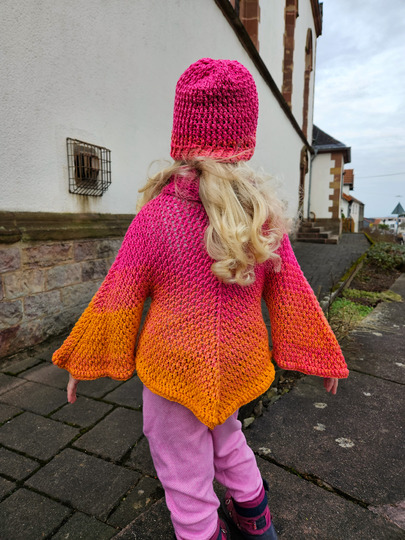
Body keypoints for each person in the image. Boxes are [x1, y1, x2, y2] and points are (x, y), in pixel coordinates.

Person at [53, 58, 348, 540]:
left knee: (180, 462)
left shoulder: (156, 217)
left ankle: (200, 532)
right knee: (229, 441)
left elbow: (119, 294)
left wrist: (84, 358)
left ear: (181, 136)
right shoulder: (261, 218)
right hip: (236, 361)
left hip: (172, 366)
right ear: (245, 139)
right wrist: (321, 353)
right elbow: (292, 290)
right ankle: (258, 523)